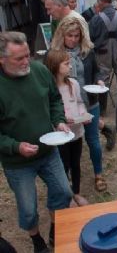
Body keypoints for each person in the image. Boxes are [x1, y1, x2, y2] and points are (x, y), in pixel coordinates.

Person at [0, 32, 72, 252]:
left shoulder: (39, 71)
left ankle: (55, 231)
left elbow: (54, 100)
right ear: (2, 60)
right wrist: (16, 147)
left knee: (64, 193)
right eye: (19, 58)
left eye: (28, 56)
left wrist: (58, 120)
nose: (26, 62)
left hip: (48, 152)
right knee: (29, 209)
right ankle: (37, 241)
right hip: (17, 162)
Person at [51, 17, 109, 191]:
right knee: (67, 145)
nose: (74, 39)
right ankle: (66, 178)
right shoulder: (54, 54)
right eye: (70, 35)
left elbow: (97, 71)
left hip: (89, 102)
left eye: (77, 36)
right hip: (65, 108)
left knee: (93, 141)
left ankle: (98, 174)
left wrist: (99, 81)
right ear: (62, 35)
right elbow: (48, 80)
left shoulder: (87, 51)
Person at [45, 49, 89, 206]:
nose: (70, 67)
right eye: (66, 64)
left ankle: (76, 193)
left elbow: (79, 102)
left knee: (76, 163)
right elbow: (50, 111)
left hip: (76, 133)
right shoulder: (49, 88)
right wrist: (61, 120)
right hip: (60, 136)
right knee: (63, 166)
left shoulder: (74, 84)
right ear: (55, 66)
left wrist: (83, 114)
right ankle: (66, 195)